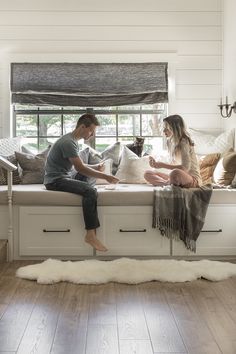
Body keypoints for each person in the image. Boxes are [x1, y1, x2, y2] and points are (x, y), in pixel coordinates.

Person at [44, 113, 119, 252]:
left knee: (89, 183)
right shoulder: (68, 142)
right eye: (91, 130)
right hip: (55, 181)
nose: (92, 135)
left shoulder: (72, 140)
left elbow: (78, 165)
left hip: (65, 177)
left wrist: (95, 168)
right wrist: (105, 176)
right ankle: (90, 234)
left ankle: (90, 212)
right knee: (90, 191)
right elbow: (80, 168)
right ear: (82, 127)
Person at [144, 114, 202, 188]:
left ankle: (169, 183)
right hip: (177, 178)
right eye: (164, 128)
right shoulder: (171, 142)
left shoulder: (184, 142)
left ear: (174, 129)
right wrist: (156, 164)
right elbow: (173, 163)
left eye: (166, 128)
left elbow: (185, 168)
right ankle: (168, 183)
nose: (164, 131)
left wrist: (162, 165)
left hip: (192, 180)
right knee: (147, 173)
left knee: (175, 173)